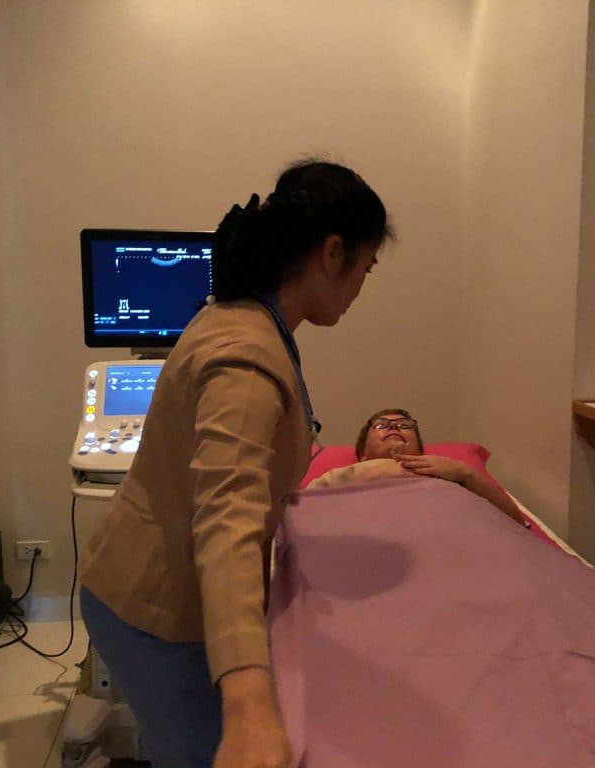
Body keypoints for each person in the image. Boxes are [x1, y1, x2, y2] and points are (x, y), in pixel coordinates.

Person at [77, 160, 392, 768]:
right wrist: (248, 702)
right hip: (153, 607)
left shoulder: (244, 318)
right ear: (333, 253)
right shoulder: (247, 355)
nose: (361, 287)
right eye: (367, 268)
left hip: (137, 582)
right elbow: (226, 518)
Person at [355, 408, 532, 528]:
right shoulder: (347, 479)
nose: (394, 426)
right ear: (363, 455)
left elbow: (517, 525)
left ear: (420, 451)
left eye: (404, 425)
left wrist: (464, 473)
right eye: (381, 424)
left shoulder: (449, 474)